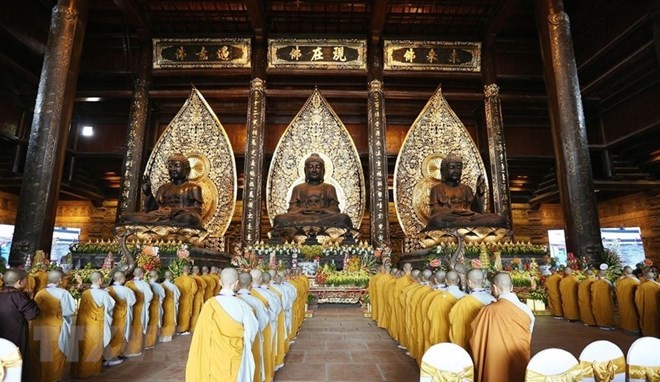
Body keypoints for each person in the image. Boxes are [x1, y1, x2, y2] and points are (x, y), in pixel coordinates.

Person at [186, 268, 259, 382]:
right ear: (236, 283)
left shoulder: (209, 305)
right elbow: (251, 333)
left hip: (212, 356)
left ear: (220, 282)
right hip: (233, 356)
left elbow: (201, 336)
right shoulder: (243, 306)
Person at [470, 272, 535, 382]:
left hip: (494, 363)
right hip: (519, 360)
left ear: (494, 288)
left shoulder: (487, 311)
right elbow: (528, 335)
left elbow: (476, 339)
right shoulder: (526, 310)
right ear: (512, 287)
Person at [423, 153, 506, 230]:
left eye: (459, 167)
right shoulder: (437, 189)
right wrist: (454, 211)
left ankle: (468, 226)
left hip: (469, 218)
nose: (456, 171)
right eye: (452, 167)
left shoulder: (466, 189)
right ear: (443, 170)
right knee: (437, 220)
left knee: (499, 219)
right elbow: (435, 210)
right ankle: (468, 226)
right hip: (451, 218)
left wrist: (479, 194)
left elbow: (475, 211)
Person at [120, 153, 204, 228]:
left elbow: (197, 210)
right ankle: (164, 225)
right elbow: (154, 208)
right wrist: (148, 193)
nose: (173, 169)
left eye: (177, 166)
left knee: (188, 218)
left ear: (186, 169)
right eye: (170, 167)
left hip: (180, 216)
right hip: (161, 216)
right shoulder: (163, 188)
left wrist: (173, 211)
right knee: (126, 217)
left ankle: (161, 225)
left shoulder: (193, 187)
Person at [272, 153, 353, 230]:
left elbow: (335, 210)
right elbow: (291, 211)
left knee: (343, 218)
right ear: (305, 170)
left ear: (323, 170)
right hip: (303, 218)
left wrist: (322, 210)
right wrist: (303, 210)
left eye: (318, 167)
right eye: (310, 167)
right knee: (279, 219)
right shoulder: (298, 188)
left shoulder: (329, 188)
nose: (314, 170)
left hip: (323, 218)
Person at [30, 270, 76, 382]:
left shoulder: (40, 293)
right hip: (55, 327)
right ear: (60, 280)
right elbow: (69, 312)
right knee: (55, 354)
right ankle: (53, 378)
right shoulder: (63, 293)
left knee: (40, 353)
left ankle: (39, 377)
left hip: (39, 326)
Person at [70, 271, 115, 378]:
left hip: (84, 323)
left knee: (83, 346)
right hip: (95, 324)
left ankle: (79, 370)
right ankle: (91, 370)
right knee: (94, 346)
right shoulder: (103, 293)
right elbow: (110, 306)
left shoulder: (86, 293)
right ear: (100, 280)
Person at [0, 269, 39, 382]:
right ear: (19, 282)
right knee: (17, 361)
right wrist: (31, 298)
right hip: (16, 335)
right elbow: (33, 314)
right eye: (26, 280)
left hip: (2, 334)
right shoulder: (19, 296)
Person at [449, 268, 496, 351]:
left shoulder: (462, 302)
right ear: (484, 281)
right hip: (488, 343)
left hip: (469, 344)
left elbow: (454, 322)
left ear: (469, 282)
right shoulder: (494, 300)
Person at [237, 272, 270, 382]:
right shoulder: (257, 301)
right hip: (252, 340)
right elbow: (264, 321)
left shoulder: (214, 304)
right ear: (251, 284)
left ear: (238, 284)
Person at [250, 269, 280, 380]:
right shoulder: (270, 294)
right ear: (261, 279)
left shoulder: (238, 299)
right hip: (264, 329)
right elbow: (275, 311)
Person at [104, 271, 135, 365]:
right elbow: (132, 302)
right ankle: (113, 357)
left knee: (110, 334)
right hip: (121, 316)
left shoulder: (107, 289)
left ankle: (107, 356)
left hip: (110, 316)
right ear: (122, 279)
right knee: (119, 335)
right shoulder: (126, 290)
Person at [428, 271, 465, 347]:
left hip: (442, 332)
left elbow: (430, 315)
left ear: (445, 281)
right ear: (458, 280)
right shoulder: (466, 297)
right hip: (459, 335)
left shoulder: (438, 297)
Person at [124, 267, 154, 356]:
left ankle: (126, 349)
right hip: (139, 308)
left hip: (129, 308)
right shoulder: (144, 284)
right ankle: (134, 350)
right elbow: (149, 296)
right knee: (137, 327)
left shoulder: (127, 283)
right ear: (142, 274)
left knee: (129, 327)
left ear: (133, 274)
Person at [615, 266, 640, 334]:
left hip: (623, 301)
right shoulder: (637, 281)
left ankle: (626, 328)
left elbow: (616, 289)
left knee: (625, 313)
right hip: (633, 301)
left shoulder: (619, 281)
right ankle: (635, 328)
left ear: (624, 272)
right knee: (633, 314)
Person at [174, 265, 197, 334]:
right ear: (188, 271)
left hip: (179, 298)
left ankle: (178, 328)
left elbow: (175, 289)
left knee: (179, 313)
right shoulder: (191, 279)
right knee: (186, 314)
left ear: (182, 270)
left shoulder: (177, 279)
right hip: (187, 299)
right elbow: (194, 290)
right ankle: (184, 329)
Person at [635, 270, 659, 337]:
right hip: (657, 308)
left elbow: (637, 298)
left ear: (645, 277)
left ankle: (648, 335)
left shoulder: (641, 286)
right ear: (654, 276)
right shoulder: (658, 285)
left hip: (646, 308)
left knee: (647, 322)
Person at [146, 270, 166, 349]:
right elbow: (163, 296)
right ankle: (150, 342)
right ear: (156, 276)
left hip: (145, 306)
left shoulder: (145, 284)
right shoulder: (158, 286)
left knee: (146, 323)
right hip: (154, 306)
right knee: (153, 323)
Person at [160, 271, 181, 342]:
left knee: (162, 319)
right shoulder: (173, 286)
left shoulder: (160, 285)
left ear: (165, 277)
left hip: (162, 305)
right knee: (169, 319)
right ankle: (168, 336)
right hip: (170, 305)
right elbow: (177, 297)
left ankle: (161, 335)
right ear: (171, 277)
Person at [190, 265, 207, 332]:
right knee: (196, 312)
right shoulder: (200, 278)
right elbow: (204, 286)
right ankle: (194, 327)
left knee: (191, 312)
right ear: (197, 271)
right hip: (198, 297)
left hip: (190, 297)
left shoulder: (189, 277)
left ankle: (189, 326)